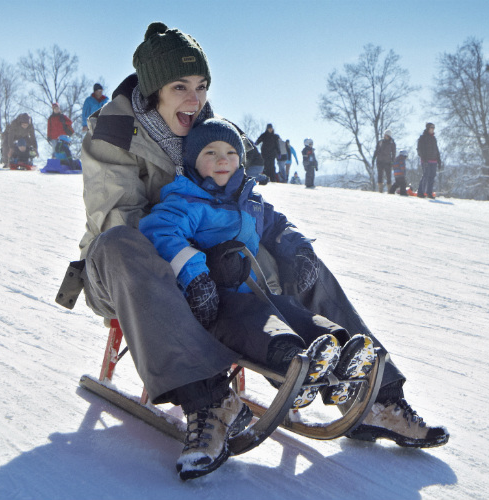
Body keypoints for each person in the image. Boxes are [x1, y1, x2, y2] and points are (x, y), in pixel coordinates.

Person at [74, 22, 447, 482]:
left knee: (292, 252)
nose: (195, 98)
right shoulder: (113, 133)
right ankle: (210, 401)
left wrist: (281, 248)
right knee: (121, 241)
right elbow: (119, 219)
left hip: (213, 264)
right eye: (180, 87)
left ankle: (375, 394)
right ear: (153, 92)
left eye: (202, 86)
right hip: (127, 273)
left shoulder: (208, 131)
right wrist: (197, 257)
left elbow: (247, 201)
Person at [138, 117, 378, 478]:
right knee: (257, 324)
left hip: (257, 290)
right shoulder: (186, 201)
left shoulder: (250, 201)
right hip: (214, 302)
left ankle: (338, 350)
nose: (223, 159)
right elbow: (161, 231)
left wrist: (297, 251)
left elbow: (280, 225)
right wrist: (196, 274)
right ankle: (290, 362)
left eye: (231, 152)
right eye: (211, 152)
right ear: (191, 162)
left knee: (291, 310)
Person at [416, 122, 440, 198]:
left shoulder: (433, 138)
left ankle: (429, 192)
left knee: (432, 177)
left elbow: (436, 149)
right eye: (431, 128)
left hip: (434, 160)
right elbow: (419, 149)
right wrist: (423, 158)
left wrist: (439, 160)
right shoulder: (423, 138)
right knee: (426, 175)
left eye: (433, 128)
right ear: (428, 128)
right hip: (426, 160)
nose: (432, 130)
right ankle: (420, 192)